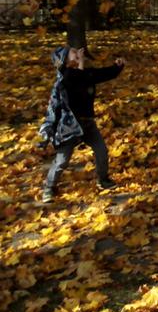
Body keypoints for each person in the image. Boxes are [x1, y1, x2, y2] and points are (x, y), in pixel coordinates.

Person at [39, 46, 124, 203]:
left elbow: (102, 74)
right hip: (68, 126)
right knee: (62, 160)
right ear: (63, 59)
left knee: (101, 151)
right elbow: (75, 78)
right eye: (72, 52)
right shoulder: (65, 76)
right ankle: (49, 187)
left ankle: (103, 179)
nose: (78, 52)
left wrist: (117, 66)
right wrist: (80, 63)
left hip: (87, 123)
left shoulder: (85, 74)